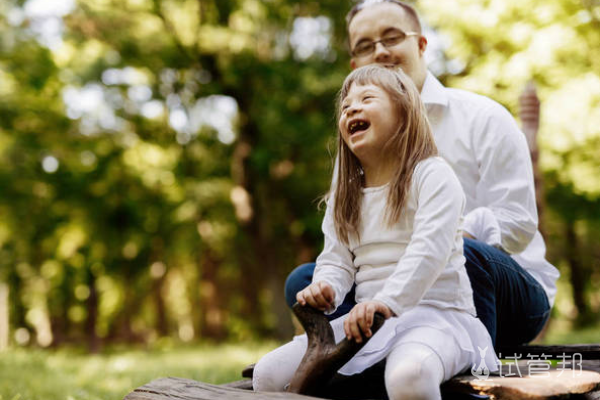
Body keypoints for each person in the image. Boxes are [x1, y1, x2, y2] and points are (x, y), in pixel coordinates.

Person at [285, 0, 559, 347]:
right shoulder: (357, 144)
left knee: (458, 250)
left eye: (392, 37)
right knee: (304, 282)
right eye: (366, 46)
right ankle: (379, 355)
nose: (381, 52)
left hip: (501, 291)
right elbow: (345, 240)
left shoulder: (483, 117)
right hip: (391, 285)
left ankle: (467, 365)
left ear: (421, 44)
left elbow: (519, 223)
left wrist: (441, 234)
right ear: (355, 65)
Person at [253, 65, 498, 400]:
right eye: (345, 106)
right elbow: (337, 260)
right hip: (369, 324)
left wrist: (386, 301)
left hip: (438, 317)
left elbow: (429, 251)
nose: (352, 108)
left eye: (367, 99)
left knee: (409, 376)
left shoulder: (433, 175)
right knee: (267, 376)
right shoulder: (346, 194)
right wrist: (327, 288)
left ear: (404, 114)